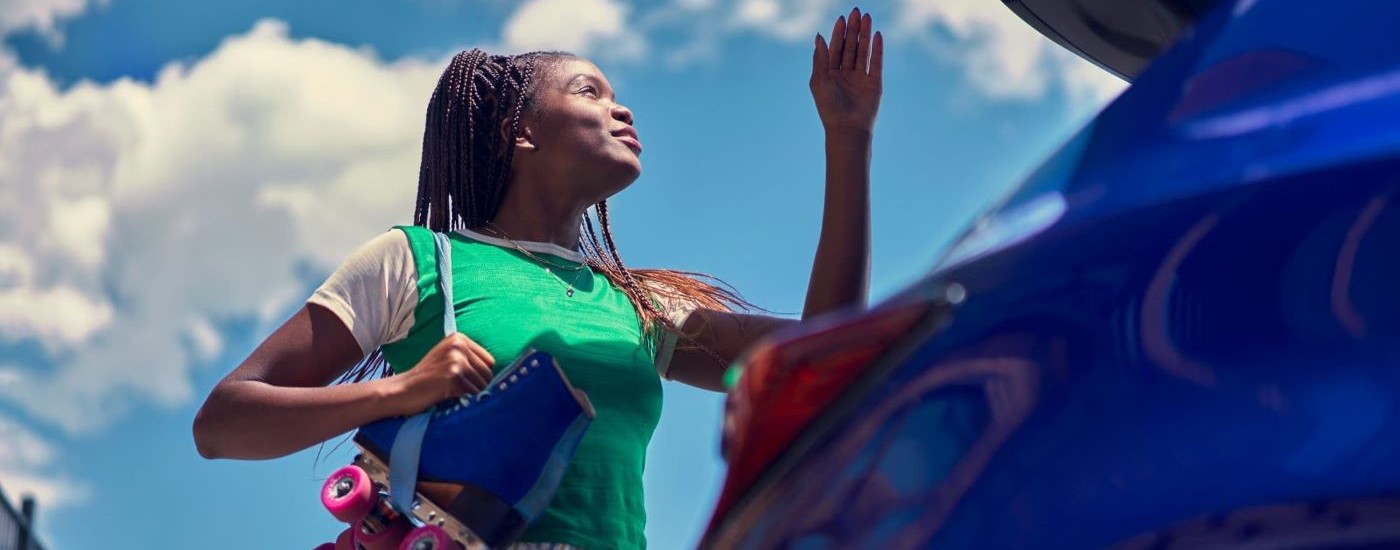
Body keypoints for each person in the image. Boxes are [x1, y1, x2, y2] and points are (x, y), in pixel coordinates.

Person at [193, 7, 883, 549]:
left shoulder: (636, 303)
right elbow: (224, 423)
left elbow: (822, 356)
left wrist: (847, 140)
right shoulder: (413, 261)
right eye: (590, 91)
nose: (624, 110)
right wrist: (403, 389)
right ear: (519, 132)